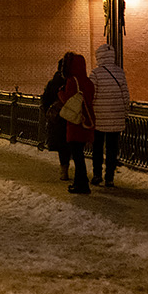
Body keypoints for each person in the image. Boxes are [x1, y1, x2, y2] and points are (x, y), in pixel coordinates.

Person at [89, 43, 131, 187]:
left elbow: (91, 96)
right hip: (116, 117)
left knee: (98, 148)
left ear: (99, 57)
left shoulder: (95, 74)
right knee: (112, 149)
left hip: (100, 118)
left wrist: (90, 112)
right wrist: (125, 113)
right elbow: (126, 95)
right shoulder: (120, 72)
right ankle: (110, 177)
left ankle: (97, 175)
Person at [57, 52, 96, 194]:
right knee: (80, 154)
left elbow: (68, 101)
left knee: (77, 155)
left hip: (75, 123)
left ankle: (82, 184)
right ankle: (81, 182)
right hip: (86, 120)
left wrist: (60, 93)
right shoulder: (88, 82)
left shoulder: (72, 81)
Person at [40, 53, 72, 181]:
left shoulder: (53, 82)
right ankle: (73, 169)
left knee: (62, 146)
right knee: (71, 144)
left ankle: (63, 170)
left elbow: (45, 100)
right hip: (71, 117)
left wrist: (49, 114)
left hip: (57, 119)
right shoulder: (71, 82)